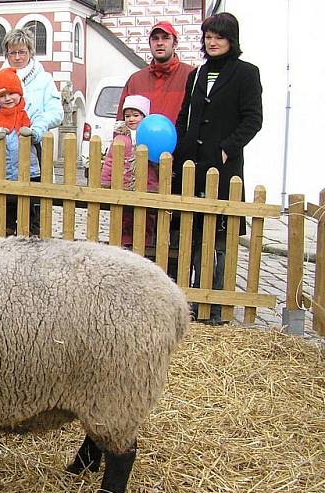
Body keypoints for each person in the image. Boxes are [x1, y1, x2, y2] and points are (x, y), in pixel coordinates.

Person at [173, 12, 263, 324]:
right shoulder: (196, 75)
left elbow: (253, 119)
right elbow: (185, 116)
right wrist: (180, 149)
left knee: (221, 237)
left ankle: (221, 306)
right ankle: (198, 300)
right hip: (194, 166)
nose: (212, 42)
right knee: (196, 233)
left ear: (231, 40)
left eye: (219, 37)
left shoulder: (247, 73)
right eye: (209, 36)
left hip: (224, 170)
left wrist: (227, 148)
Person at [0, 28, 63, 234]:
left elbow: (56, 112)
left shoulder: (44, 80)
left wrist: (34, 127)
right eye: (12, 53)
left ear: (30, 52)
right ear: (6, 54)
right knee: (5, 209)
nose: (17, 57)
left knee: (32, 208)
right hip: (4, 150)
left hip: (32, 146)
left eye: (21, 52)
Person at [0, 68, 42, 236]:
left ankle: (31, 237)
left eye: (11, 93)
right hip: (4, 173)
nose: (7, 98)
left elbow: (40, 124)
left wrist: (33, 132)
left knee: (30, 211)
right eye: (2, 96)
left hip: (29, 172)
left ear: (19, 93)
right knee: (6, 212)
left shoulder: (28, 110)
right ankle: (7, 236)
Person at [101, 94, 158, 246]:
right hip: (123, 187)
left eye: (135, 115)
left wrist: (154, 186)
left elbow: (157, 163)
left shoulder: (150, 138)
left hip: (145, 188)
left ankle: (144, 245)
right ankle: (123, 245)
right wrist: (106, 181)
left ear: (144, 117)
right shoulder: (120, 139)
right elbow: (110, 161)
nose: (131, 119)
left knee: (144, 219)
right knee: (123, 219)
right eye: (127, 115)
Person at [116, 21, 194, 125]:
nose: (159, 43)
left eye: (165, 38)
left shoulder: (191, 75)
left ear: (175, 44)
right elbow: (121, 123)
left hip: (179, 141)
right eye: (155, 38)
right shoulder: (135, 80)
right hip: (142, 141)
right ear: (150, 44)